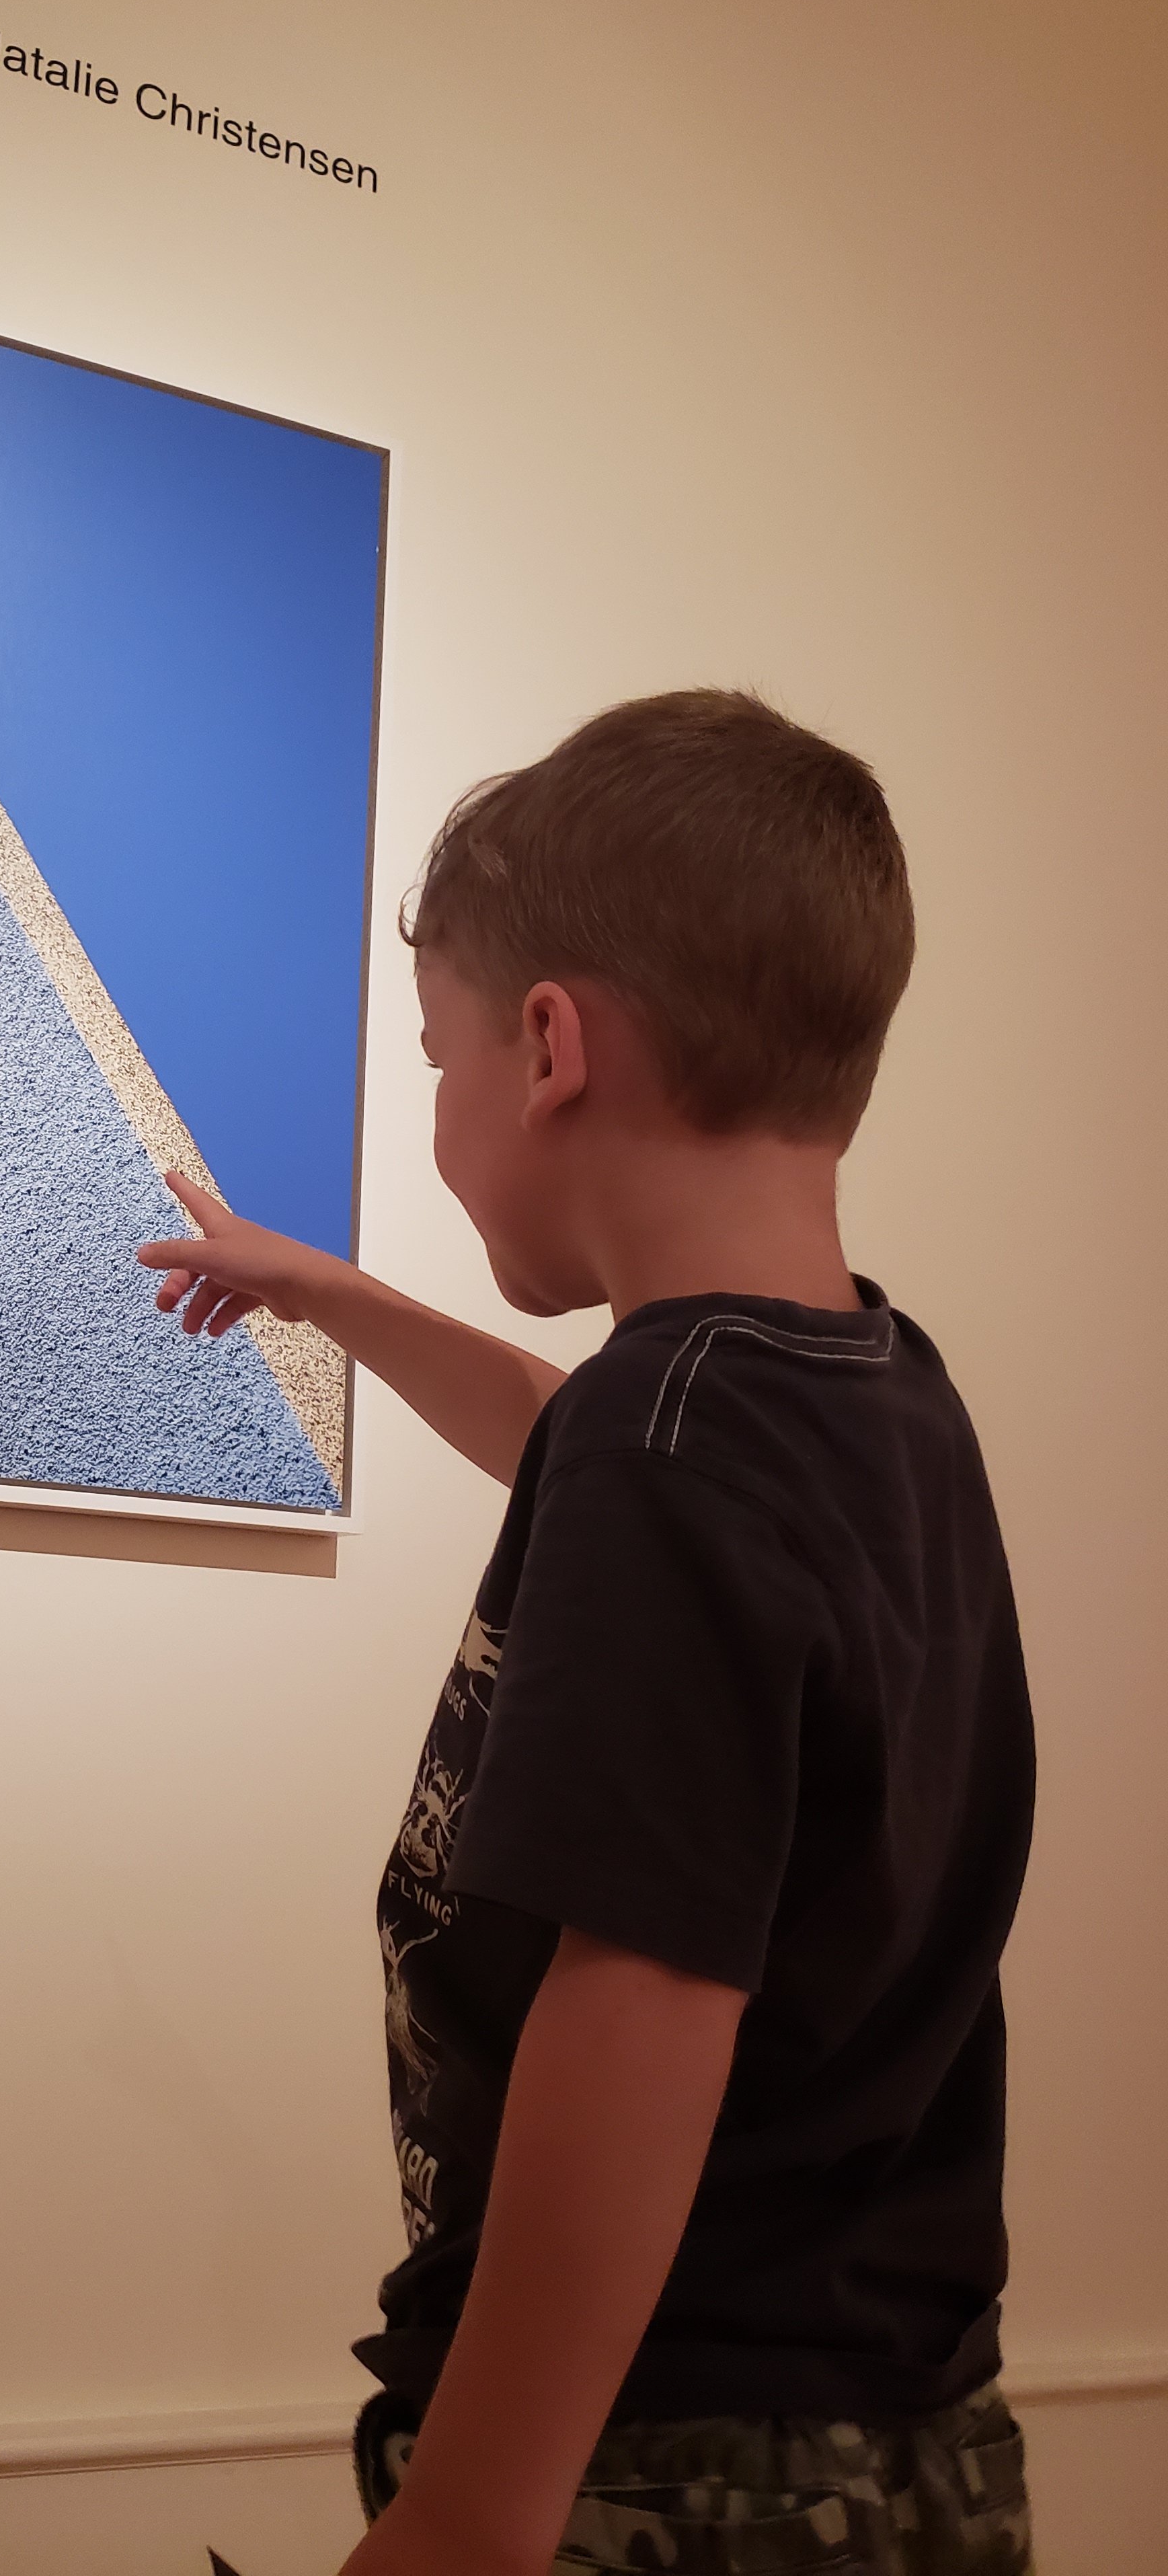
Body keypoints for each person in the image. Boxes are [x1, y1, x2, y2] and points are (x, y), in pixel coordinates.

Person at [138, 691, 1036, 2576]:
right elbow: (577, 1450)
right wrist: (337, 1295)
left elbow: (643, 2009)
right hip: (901, 2446)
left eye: (438, 1059)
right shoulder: (872, 1393)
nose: (444, 1116)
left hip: (674, 2481)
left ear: (549, 1047)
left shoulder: (671, 1439)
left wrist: (471, 2511)